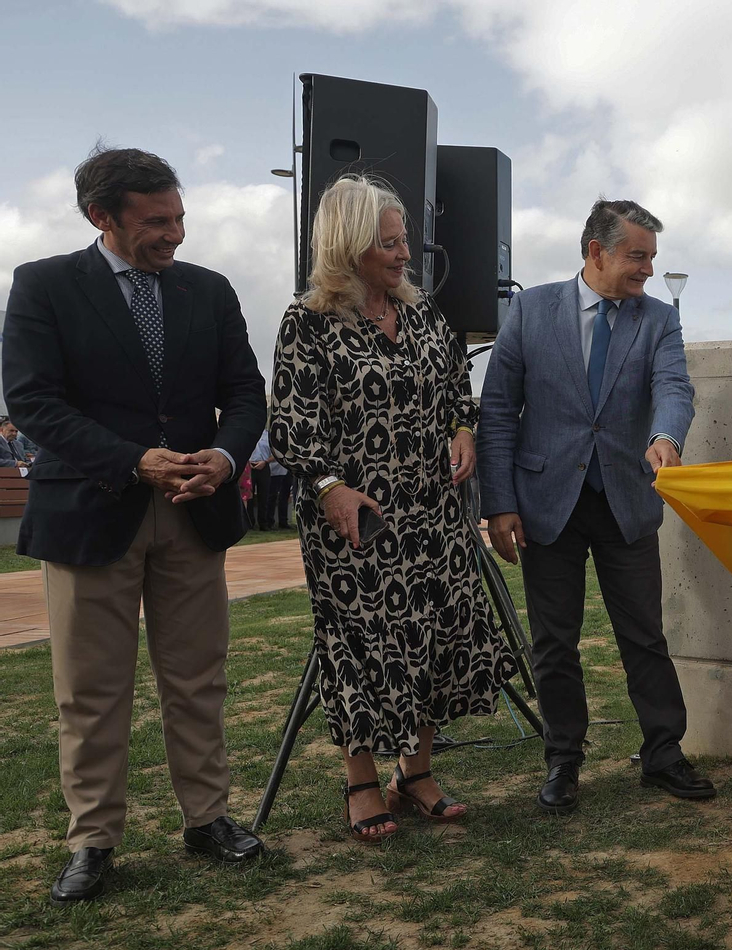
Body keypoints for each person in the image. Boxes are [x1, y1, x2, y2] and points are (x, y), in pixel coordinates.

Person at [1, 146, 268, 903]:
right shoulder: (44, 285)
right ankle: (93, 840)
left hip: (194, 513)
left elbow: (246, 393)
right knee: (90, 689)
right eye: (155, 222)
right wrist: (132, 460)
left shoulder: (210, 291)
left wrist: (223, 453)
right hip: (90, 513)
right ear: (101, 217)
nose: (174, 234)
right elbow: (33, 403)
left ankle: (208, 818)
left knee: (198, 678)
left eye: (179, 217)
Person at [269, 175, 519, 842]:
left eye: (404, 239)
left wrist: (463, 433)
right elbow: (293, 428)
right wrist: (331, 488)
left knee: (434, 637)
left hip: (434, 515)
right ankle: (360, 781)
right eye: (388, 243)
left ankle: (415, 773)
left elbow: (458, 399)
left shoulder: (426, 316)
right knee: (360, 645)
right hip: (357, 523)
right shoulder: (309, 323)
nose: (404, 253)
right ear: (348, 246)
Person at [478, 198, 709, 815]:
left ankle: (663, 754)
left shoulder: (657, 320)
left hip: (625, 503)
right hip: (546, 503)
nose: (647, 272)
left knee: (644, 635)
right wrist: (498, 503)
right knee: (555, 642)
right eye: (637, 257)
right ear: (596, 252)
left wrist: (666, 437)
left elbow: (673, 387)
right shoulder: (529, 310)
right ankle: (563, 762)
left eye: (652, 259)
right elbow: (497, 411)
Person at [248, 428, 274, 530]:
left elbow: (275, 454)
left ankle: (263, 523)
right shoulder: (249, 432)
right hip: (250, 466)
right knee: (249, 496)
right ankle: (250, 522)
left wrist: (266, 462)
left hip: (264, 466)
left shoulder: (268, 435)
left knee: (264, 496)